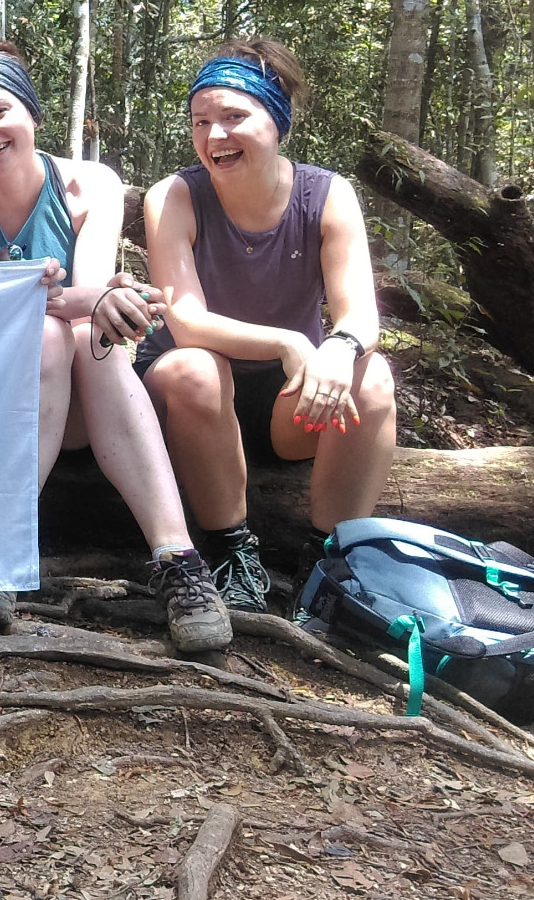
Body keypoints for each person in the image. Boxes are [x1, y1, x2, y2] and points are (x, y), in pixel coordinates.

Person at [0, 43, 231, 651]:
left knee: (92, 335)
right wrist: (92, 298)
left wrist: (100, 300)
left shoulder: (92, 185)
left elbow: (87, 291)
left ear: (32, 113)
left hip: (87, 393)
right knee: (43, 330)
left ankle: (179, 560)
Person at [137, 38, 396, 612]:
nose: (215, 137)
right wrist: (288, 340)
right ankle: (229, 553)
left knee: (371, 377)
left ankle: (328, 561)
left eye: (234, 117)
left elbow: (360, 312)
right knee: (192, 369)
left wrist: (341, 346)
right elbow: (186, 322)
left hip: (288, 403)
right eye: (200, 122)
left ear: (276, 122)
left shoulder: (327, 196)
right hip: (192, 400)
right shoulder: (174, 196)